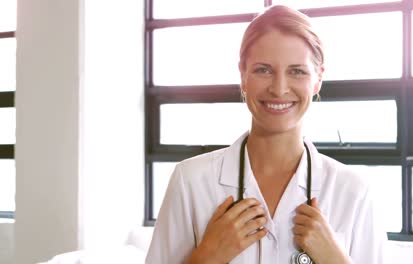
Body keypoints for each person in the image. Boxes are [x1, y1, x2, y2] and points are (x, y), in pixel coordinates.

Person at [146, 5, 387, 264]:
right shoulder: (191, 181)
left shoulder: (353, 192)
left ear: (318, 79)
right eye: (263, 70)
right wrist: (206, 258)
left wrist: (336, 260)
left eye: (297, 71)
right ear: (243, 76)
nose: (279, 89)